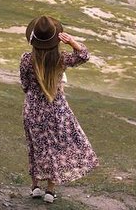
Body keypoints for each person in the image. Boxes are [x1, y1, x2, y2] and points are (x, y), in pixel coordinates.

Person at [20, 15, 98, 203]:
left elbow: (25, 85)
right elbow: (84, 56)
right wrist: (72, 41)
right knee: (55, 148)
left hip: (33, 109)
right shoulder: (61, 59)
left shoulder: (26, 59)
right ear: (56, 40)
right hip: (57, 110)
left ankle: (35, 187)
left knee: (36, 147)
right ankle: (50, 191)